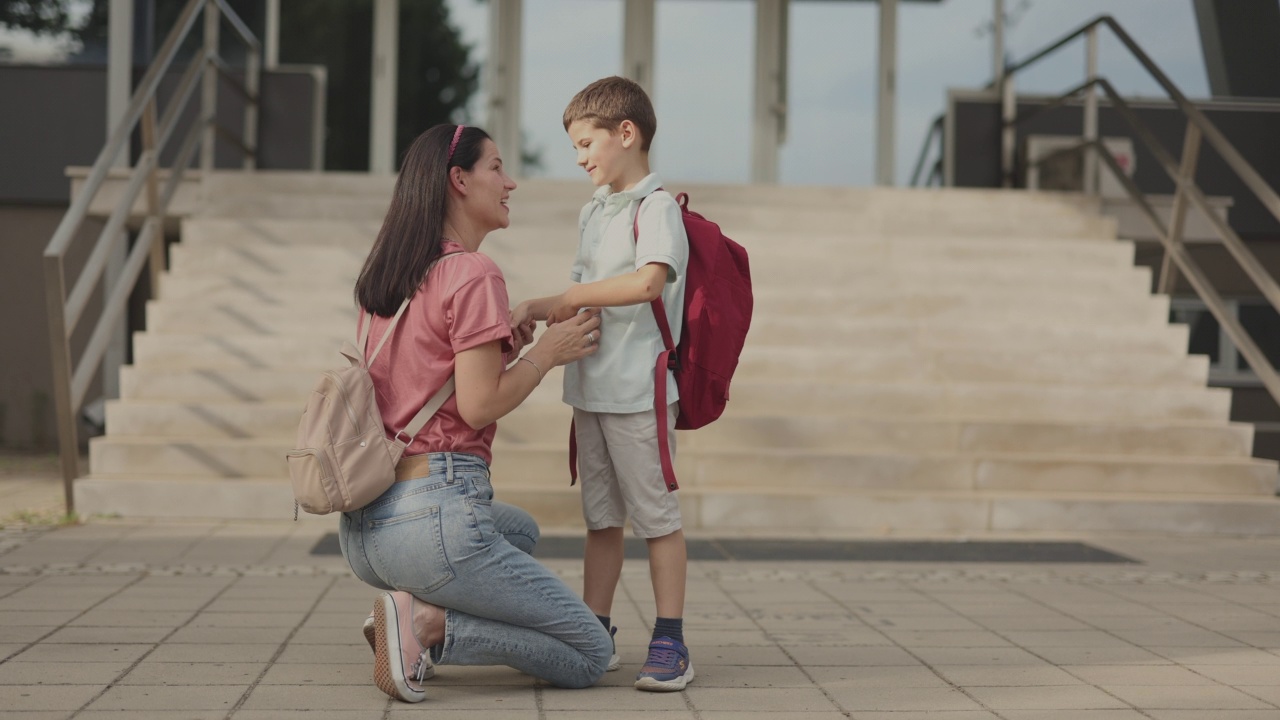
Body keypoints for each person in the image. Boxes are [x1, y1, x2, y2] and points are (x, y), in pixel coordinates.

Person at [339, 123, 612, 704]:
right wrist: (545, 356)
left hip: (368, 527)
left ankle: (408, 609)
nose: (510, 183)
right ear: (458, 180)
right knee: (591, 652)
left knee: (521, 530)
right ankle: (423, 625)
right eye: (496, 168)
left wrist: (504, 344)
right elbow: (479, 403)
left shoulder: (388, 276)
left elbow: (428, 375)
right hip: (433, 520)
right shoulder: (472, 272)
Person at [512, 76, 693, 692]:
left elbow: (648, 283)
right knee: (601, 521)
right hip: (589, 392)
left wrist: (564, 297)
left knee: (657, 519)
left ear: (627, 133)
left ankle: (670, 639)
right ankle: (597, 632)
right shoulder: (594, 211)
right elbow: (583, 298)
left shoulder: (657, 207)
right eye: (574, 148)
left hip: (638, 394)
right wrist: (544, 312)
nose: (581, 157)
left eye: (587, 143)